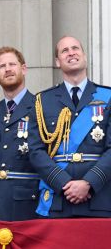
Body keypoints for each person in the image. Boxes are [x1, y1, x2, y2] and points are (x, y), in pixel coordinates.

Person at [29, 36, 111, 218]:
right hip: (59, 199)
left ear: (84, 56)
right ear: (57, 61)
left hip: (99, 199)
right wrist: (64, 183)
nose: (71, 53)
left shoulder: (108, 97)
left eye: (75, 48)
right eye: (64, 50)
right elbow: (35, 151)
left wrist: (88, 183)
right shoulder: (42, 101)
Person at [0, 47, 39, 221]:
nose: (7, 69)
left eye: (12, 64)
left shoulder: (40, 107)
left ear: (24, 69)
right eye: (2, 66)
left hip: (27, 203)